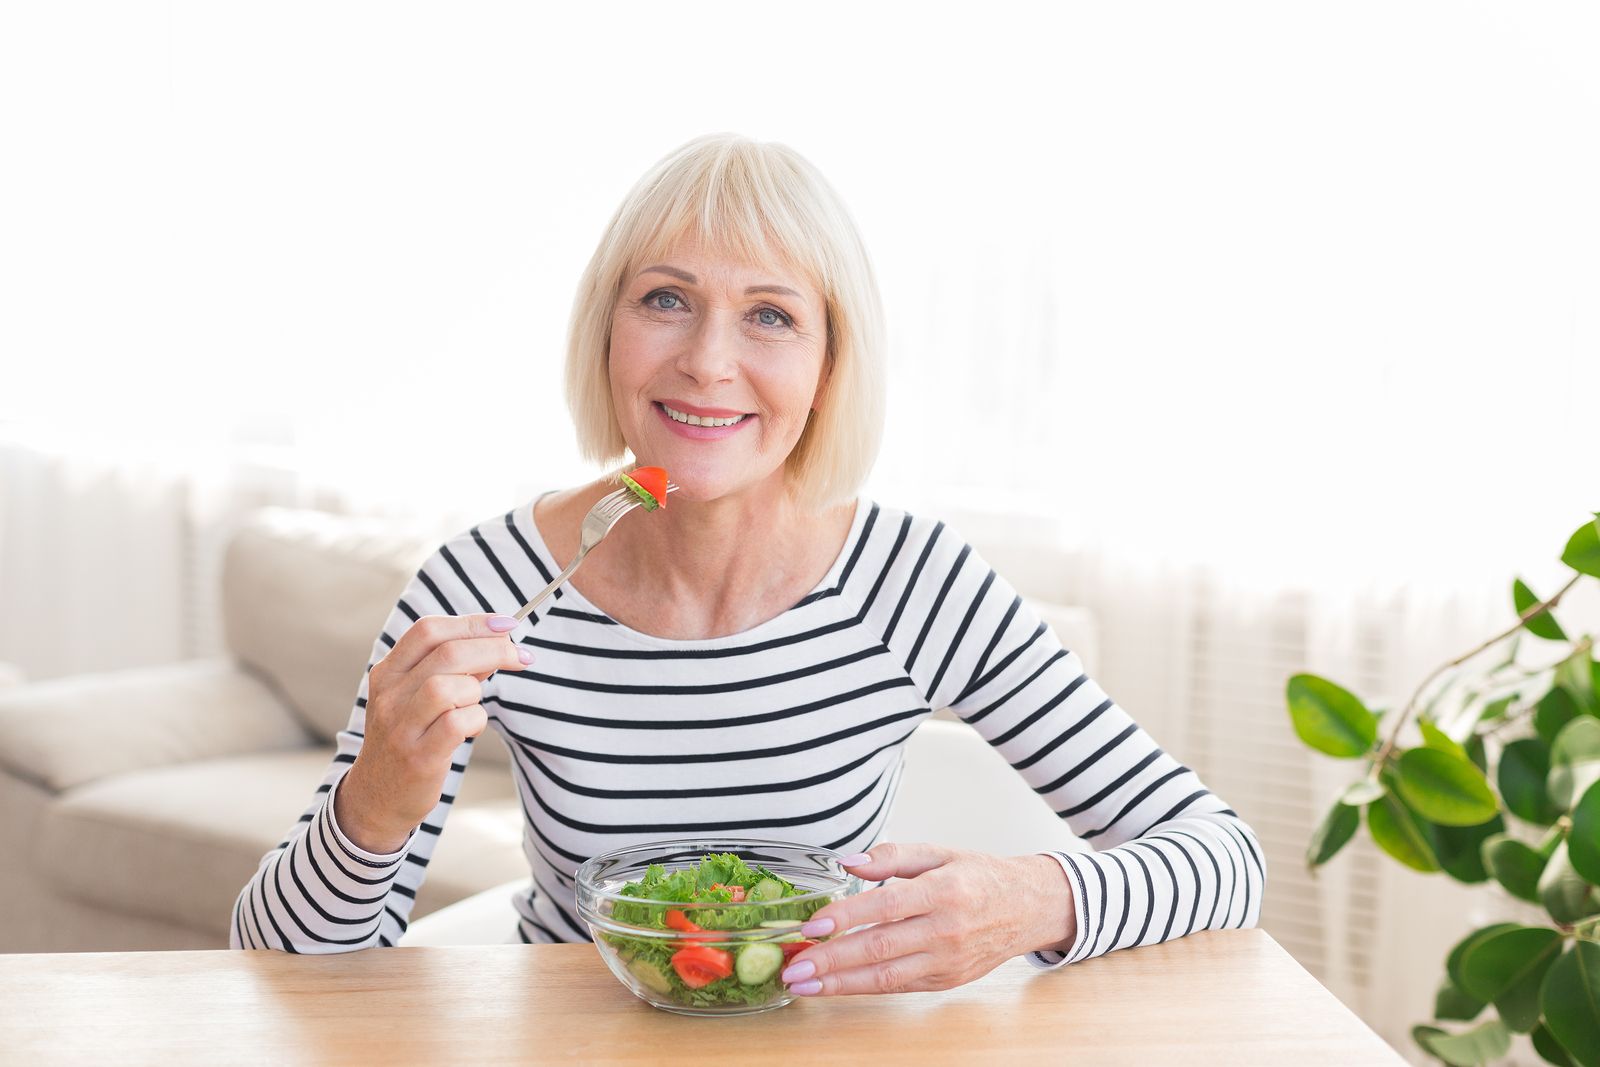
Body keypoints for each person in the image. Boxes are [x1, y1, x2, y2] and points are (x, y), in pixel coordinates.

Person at [231, 133, 1265, 997]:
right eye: (666, 300)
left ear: (828, 367)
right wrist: (371, 806)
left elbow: (1225, 856)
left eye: (770, 315)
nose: (708, 361)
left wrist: (1037, 896)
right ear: (606, 334)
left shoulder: (910, 580)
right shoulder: (486, 585)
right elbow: (275, 964)